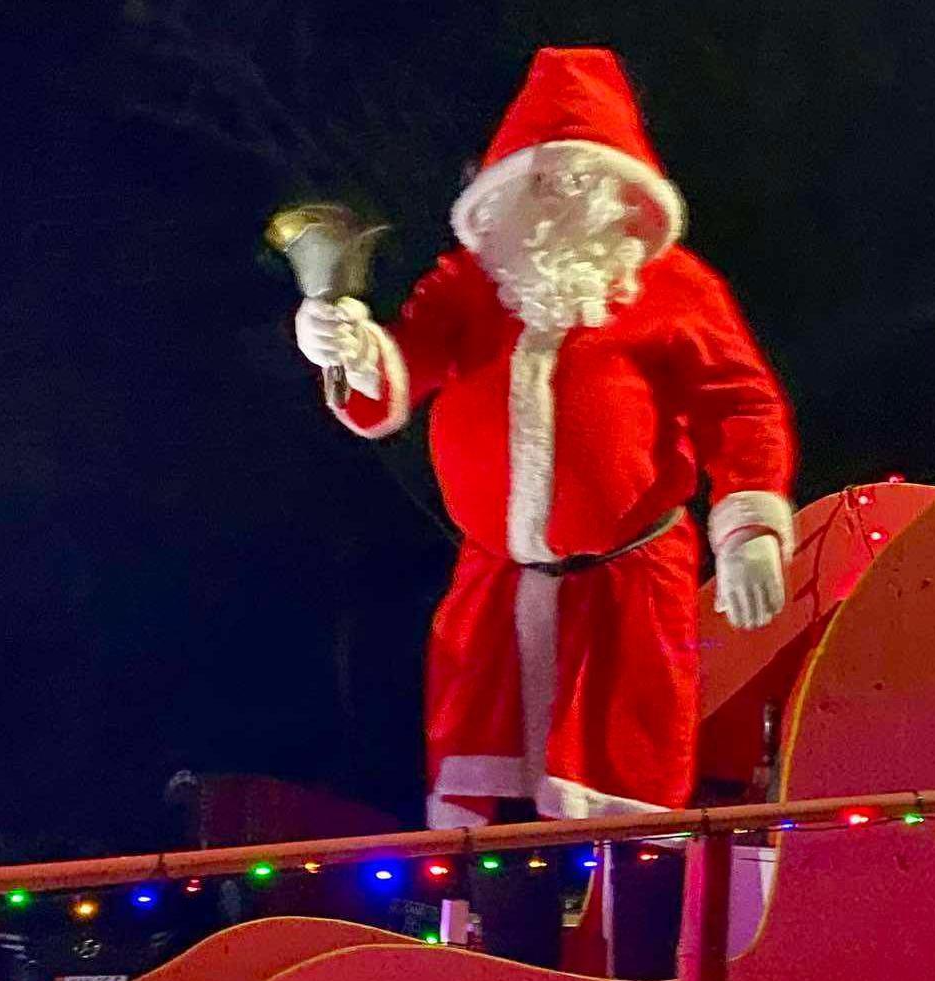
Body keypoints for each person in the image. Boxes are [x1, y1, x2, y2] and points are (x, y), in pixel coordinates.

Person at [292, 47, 797, 842]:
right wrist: (348, 349)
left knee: (636, 820)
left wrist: (750, 526)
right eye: (542, 176)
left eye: (579, 177)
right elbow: (400, 376)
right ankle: (500, 964)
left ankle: (638, 968)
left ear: (619, 185)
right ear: (507, 184)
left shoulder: (675, 287)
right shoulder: (467, 286)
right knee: (497, 834)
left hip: (631, 592)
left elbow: (738, 405)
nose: (559, 194)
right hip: (494, 593)